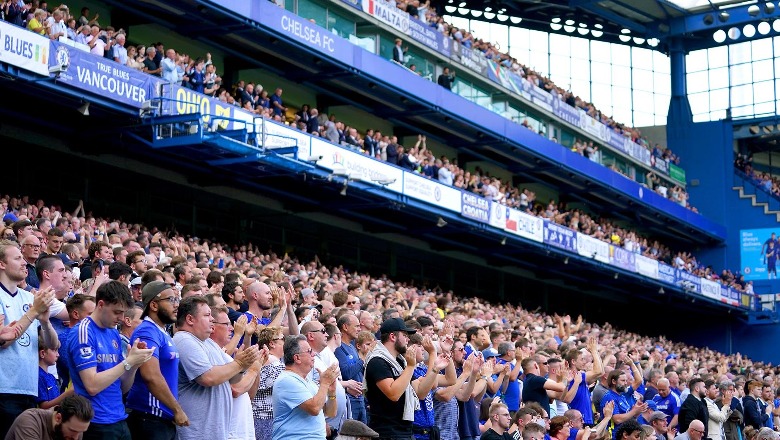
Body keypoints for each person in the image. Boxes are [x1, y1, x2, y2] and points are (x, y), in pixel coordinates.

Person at [66, 280, 155, 440]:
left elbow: (122, 387)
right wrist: (127, 363)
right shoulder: (84, 332)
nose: (121, 318)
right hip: (95, 421)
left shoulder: (112, 333)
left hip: (118, 417)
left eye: (123, 313)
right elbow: (92, 385)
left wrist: (133, 364)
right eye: (117, 312)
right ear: (100, 304)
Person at [173, 296, 260, 440]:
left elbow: (233, 379)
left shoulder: (209, 343)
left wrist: (243, 366)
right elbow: (208, 377)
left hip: (216, 431)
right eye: (207, 315)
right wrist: (239, 364)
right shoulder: (184, 340)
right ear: (190, 319)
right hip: (197, 433)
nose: (211, 320)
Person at [0, 241, 58, 439]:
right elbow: (4, 340)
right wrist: (34, 312)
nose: (24, 263)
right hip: (4, 388)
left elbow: (52, 345)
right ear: (2, 264)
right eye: (17, 258)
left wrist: (46, 321)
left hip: (29, 388)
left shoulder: (29, 297)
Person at [126, 281, 189, 440]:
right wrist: (177, 410)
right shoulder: (147, 331)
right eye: (171, 300)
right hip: (150, 418)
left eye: (177, 300)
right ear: (154, 305)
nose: (176, 305)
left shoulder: (160, 331)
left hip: (162, 418)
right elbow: (150, 375)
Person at [272, 334, 339, 440]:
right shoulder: (287, 380)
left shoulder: (307, 381)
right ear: (297, 358)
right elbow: (314, 409)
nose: (314, 354)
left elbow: (330, 412)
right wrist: (325, 383)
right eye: (309, 351)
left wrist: (331, 392)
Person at [364, 317, 419, 439]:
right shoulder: (377, 361)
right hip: (387, 431)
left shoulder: (401, 361)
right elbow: (393, 394)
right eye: (404, 335)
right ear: (393, 337)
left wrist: (435, 367)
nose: (408, 339)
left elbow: (419, 391)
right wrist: (410, 366)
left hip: (405, 429)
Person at [4, 394, 94, 440]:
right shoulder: (30, 421)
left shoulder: (76, 429)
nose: (76, 437)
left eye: (80, 432)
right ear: (58, 418)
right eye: (73, 431)